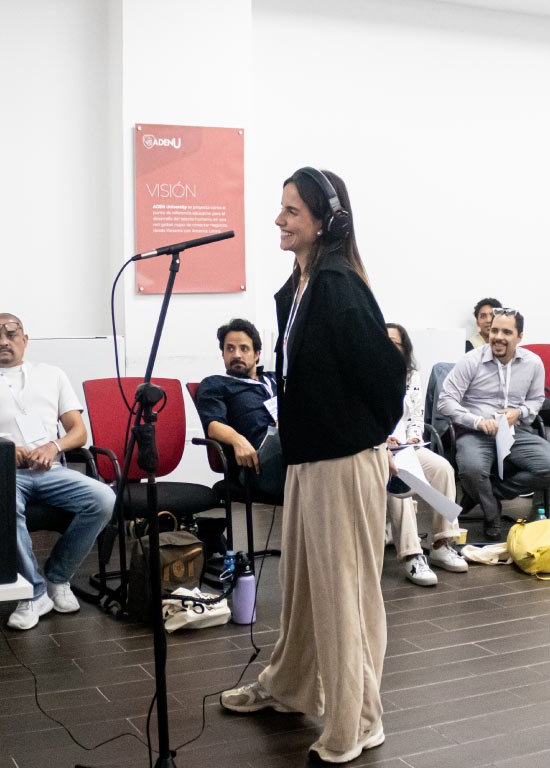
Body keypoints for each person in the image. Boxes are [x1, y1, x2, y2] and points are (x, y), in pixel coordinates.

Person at [220, 168, 405, 764]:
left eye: (292, 210)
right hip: (309, 457)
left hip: (341, 460)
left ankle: (361, 721)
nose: (279, 219)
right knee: (303, 589)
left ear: (327, 221)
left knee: (343, 596)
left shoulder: (337, 287)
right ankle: (290, 686)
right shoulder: (300, 286)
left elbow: (386, 376)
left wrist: (363, 437)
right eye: (281, 208)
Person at [0, 313, 115, 630]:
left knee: (104, 498)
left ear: (25, 340)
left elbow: (78, 432)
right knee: (3, 505)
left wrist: (53, 447)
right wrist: (1, 448)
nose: (3, 341)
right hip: (1, 472)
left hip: (50, 469)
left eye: (11, 334)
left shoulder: (52, 375)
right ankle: (32, 592)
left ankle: (58, 577)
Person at [438, 308, 550, 540]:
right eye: (494, 331)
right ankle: (492, 513)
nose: (498, 337)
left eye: (506, 332)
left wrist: (519, 412)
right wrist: (477, 421)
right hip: (475, 432)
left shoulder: (533, 363)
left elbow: (536, 400)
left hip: (515, 431)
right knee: (472, 469)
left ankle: (487, 495)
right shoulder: (471, 360)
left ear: (520, 336)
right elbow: (445, 401)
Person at [384, 323, 465, 586]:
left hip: (407, 447)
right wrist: (383, 440)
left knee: (443, 469)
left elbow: (416, 419)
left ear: (404, 348)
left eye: (394, 342)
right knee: (401, 479)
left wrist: (414, 438)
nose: (388, 346)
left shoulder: (411, 376)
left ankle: (442, 543)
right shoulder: (366, 373)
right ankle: (412, 555)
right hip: (378, 452)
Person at [194, 319, 282, 497]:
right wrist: (237, 440)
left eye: (244, 348)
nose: (236, 355)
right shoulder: (215, 384)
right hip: (256, 463)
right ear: (223, 354)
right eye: (230, 349)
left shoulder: (276, 379)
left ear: (257, 354)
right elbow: (213, 425)